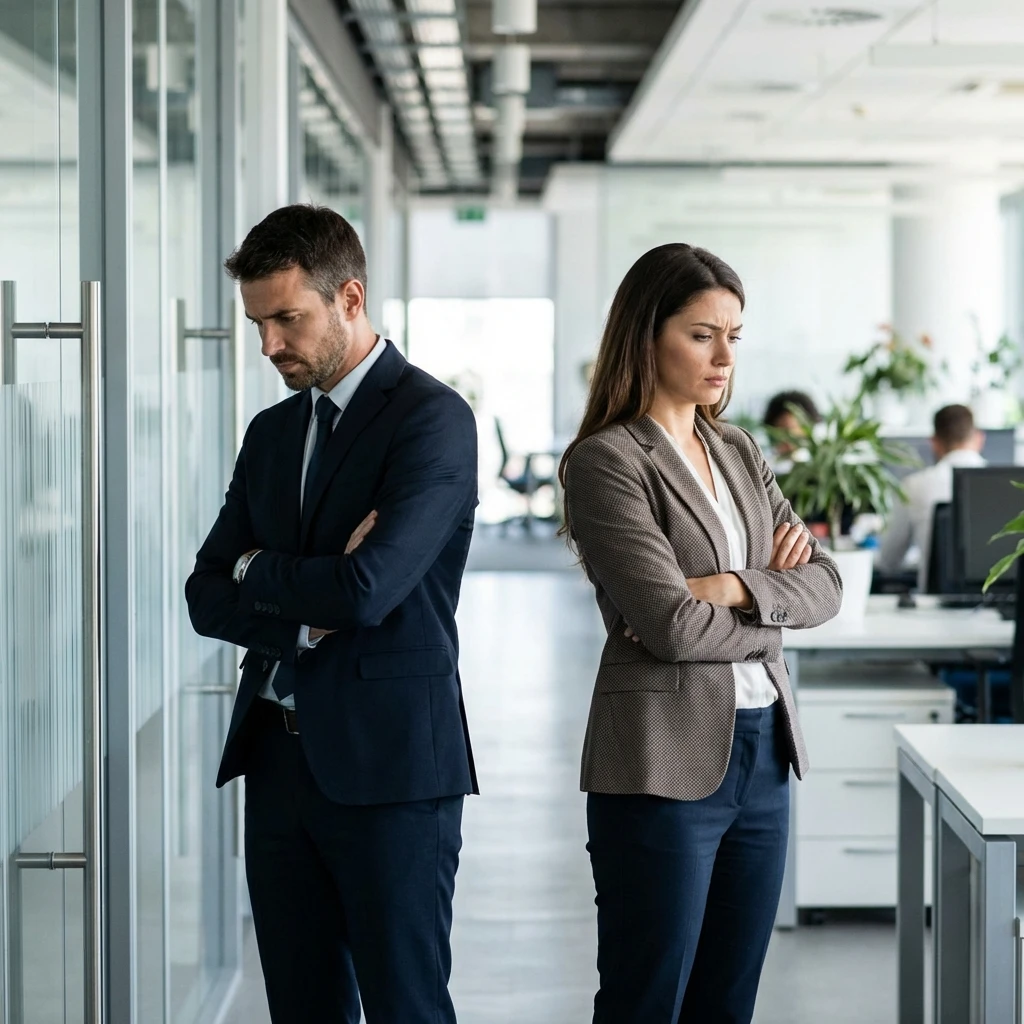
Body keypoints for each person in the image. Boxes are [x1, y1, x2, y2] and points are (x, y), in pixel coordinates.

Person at [184, 204, 478, 1024]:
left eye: (288, 319)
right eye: (258, 323)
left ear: (349, 297)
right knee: (302, 1009)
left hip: (390, 773)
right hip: (277, 769)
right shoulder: (272, 433)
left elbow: (368, 591)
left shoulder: (432, 420)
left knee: (404, 1007)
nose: (271, 345)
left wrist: (262, 574)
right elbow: (206, 592)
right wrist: (296, 592)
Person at [559, 243, 843, 1024]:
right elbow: (672, 626)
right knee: (647, 998)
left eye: (734, 336)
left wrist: (733, 588)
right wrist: (770, 609)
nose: (724, 357)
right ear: (647, 334)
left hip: (763, 756)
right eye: (701, 334)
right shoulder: (607, 461)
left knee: (728, 1000)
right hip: (661, 763)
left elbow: (825, 585)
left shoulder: (740, 449)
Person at [875, 403, 986, 591]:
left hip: (933, 608)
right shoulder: (1006, 484)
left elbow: (889, 560)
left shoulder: (914, 486)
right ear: (979, 439)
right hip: (997, 607)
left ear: (934, 442)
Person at [762, 389, 820, 460]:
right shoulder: (764, 462)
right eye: (781, 430)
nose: (786, 436)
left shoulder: (818, 461)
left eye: (791, 428)